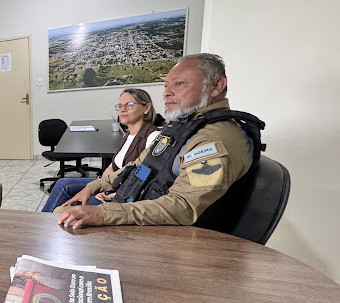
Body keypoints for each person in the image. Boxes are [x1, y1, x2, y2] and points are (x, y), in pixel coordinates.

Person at [57, 54, 264, 229]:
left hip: (166, 234)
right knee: (63, 211)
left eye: (179, 84)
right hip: (136, 206)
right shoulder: (182, 127)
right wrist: (94, 186)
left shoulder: (213, 140)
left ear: (216, 86)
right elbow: (138, 165)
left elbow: (183, 207)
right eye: (166, 85)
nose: (166, 92)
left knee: (63, 217)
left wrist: (104, 214)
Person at [42, 88, 161, 212]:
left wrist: (111, 194)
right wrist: (102, 187)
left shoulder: (153, 137)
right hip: (112, 186)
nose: (123, 109)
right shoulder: (128, 135)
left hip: (124, 196)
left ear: (146, 108)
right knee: (62, 184)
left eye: (130, 105)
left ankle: (45, 222)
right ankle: (40, 223)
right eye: (120, 106)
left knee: (63, 208)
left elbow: (147, 180)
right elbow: (111, 167)